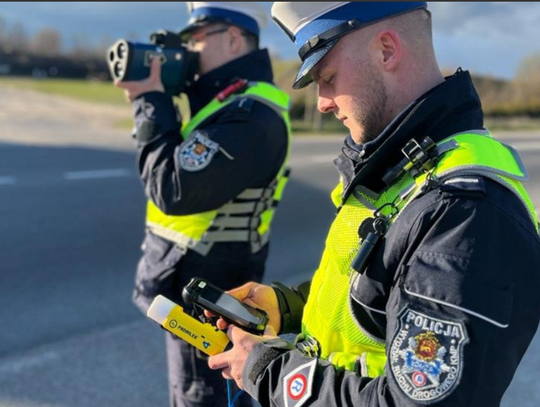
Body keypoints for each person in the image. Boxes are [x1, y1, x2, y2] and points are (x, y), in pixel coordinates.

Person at [207, 2, 540, 406]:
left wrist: (268, 371)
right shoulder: (406, 166)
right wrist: (290, 308)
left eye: (327, 77)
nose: (322, 103)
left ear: (386, 50)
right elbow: (381, 294)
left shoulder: (468, 214)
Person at [115, 2, 291, 406]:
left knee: (201, 396)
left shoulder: (249, 116)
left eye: (196, 38)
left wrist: (149, 101)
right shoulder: (227, 105)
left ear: (232, 38)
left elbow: (173, 188)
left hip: (209, 304)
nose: (188, 50)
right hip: (192, 293)